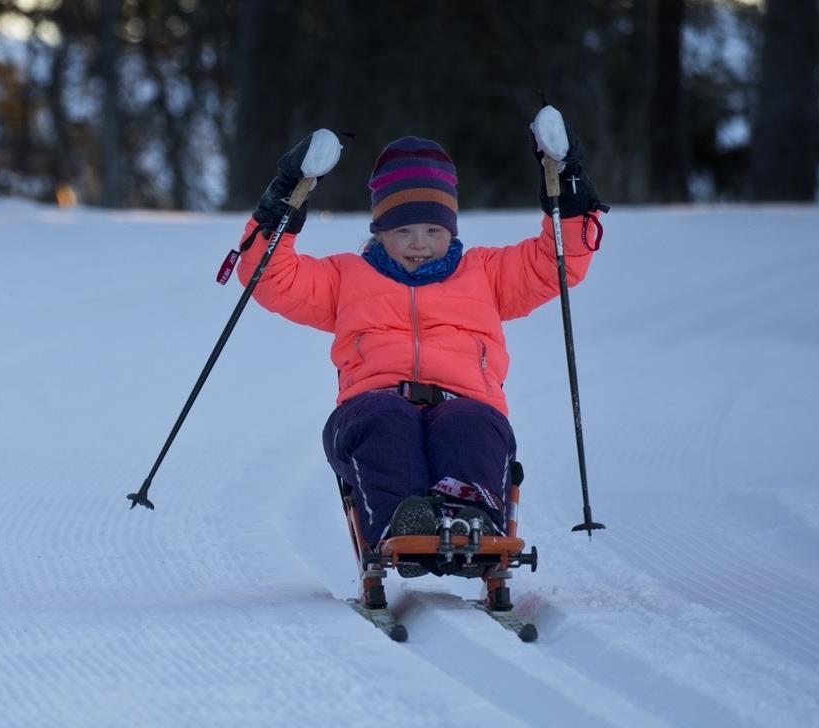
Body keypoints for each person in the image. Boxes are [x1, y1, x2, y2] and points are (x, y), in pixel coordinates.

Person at [236, 109, 607, 576]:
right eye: (402, 231)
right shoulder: (347, 278)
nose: (419, 243)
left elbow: (558, 261)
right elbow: (266, 275)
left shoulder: (485, 274)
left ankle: (470, 519)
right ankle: (403, 522)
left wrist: (568, 184)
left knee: (471, 422)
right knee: (386, 421)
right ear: (379, 231)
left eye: (433, 230)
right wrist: (283, 198)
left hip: (465, 403)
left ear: (451, 229)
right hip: (372, 407)